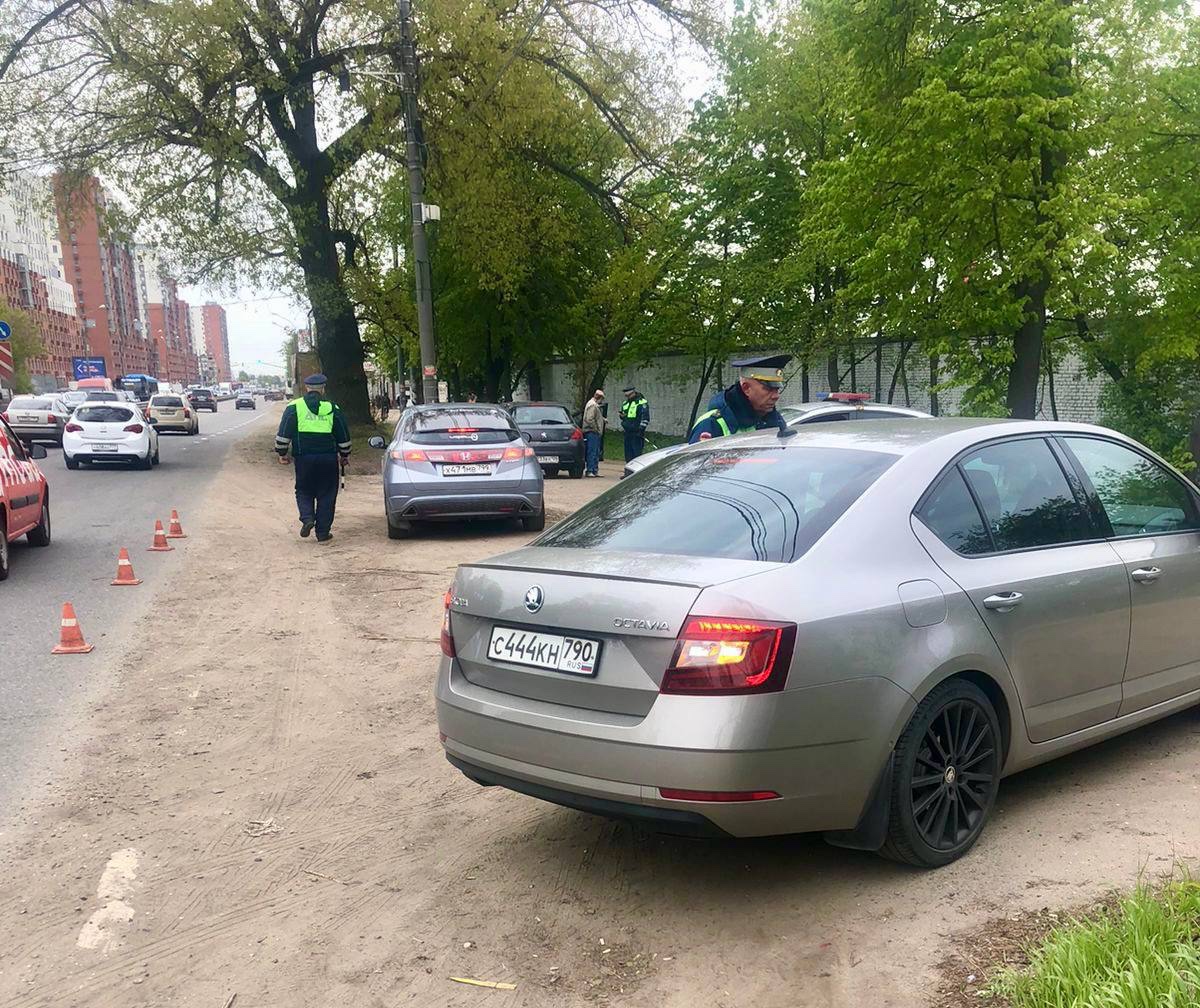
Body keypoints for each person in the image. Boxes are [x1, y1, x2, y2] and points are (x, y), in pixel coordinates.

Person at [275, 373, 352, 543]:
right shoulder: (333, 408)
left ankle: (307, 518)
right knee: (327, 493)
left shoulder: (294, 407)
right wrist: (344, 455)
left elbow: (283, 433)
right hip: (328, 459)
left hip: (304, 458)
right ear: (323, 389)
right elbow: (343, 435)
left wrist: (282, 453)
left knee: (304, 489)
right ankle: (323, 533)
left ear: (307, 388)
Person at [689, 354, 792, 444]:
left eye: (777, 389)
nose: (776, 396)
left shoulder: (775, 420)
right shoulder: (711, 424)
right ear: (746, 388)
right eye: (768, 389)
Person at [619, 386, 649, 462]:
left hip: (637, 433)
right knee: (628, 454)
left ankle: (636, 469)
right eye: (626, 396)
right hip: (627, 432)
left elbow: (645, 417)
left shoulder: (641, 402)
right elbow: (626, 415)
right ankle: (628, 469)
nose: (627, 397)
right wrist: (622, 417)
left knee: (636, 454)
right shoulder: (625, 403)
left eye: (628, 395)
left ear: (633, 393)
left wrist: (641, 430)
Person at [582, 389, 606, 476]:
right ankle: (590, 470)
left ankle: (594, 470)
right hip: (592, 432)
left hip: (593, 432)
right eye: (601, 399)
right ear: (599, 398)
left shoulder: (593, 404)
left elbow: (595, 416)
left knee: (595, 451)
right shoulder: (592, 405)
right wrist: (596, 428)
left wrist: (602, 420)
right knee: (592, 451)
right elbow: (589, 419)